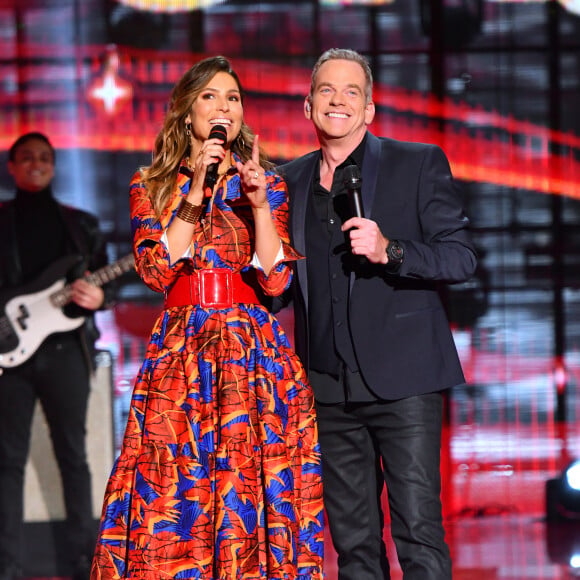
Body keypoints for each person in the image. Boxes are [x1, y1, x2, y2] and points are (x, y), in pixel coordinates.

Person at [90, 55, 324, 579]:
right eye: (211, 97)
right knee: (176, 488)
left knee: (251, 486)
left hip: (251, 352)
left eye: (233, 98)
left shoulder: (266, 184)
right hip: (183, 353)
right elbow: (155, 270)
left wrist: (261, 204)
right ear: (187, 112)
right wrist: (195, 191)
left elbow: (276, 280)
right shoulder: (150, 182)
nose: (224, 108)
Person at [277, 48, 478, 580]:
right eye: (326, 91)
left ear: (368, 109)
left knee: (417, 531)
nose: (337, 101)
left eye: (351, 92)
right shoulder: (286, 182)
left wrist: (391, 249)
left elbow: (460, 257)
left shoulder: (417, 162)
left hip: (405, 382)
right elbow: (278, 286)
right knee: (354, 546)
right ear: (308, 106)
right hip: (328, 388)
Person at [0, 132, 112, 580]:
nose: (36, 164)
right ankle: (7, 566)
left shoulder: (80, 225)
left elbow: (111, 283)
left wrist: (99, 296)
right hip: (10, 356)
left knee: (74, 456)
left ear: (53, 166)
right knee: (7, 460)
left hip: (67, 352)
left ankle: (82, 563)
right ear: (12, 166)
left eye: (44, 158)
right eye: (26, 157)